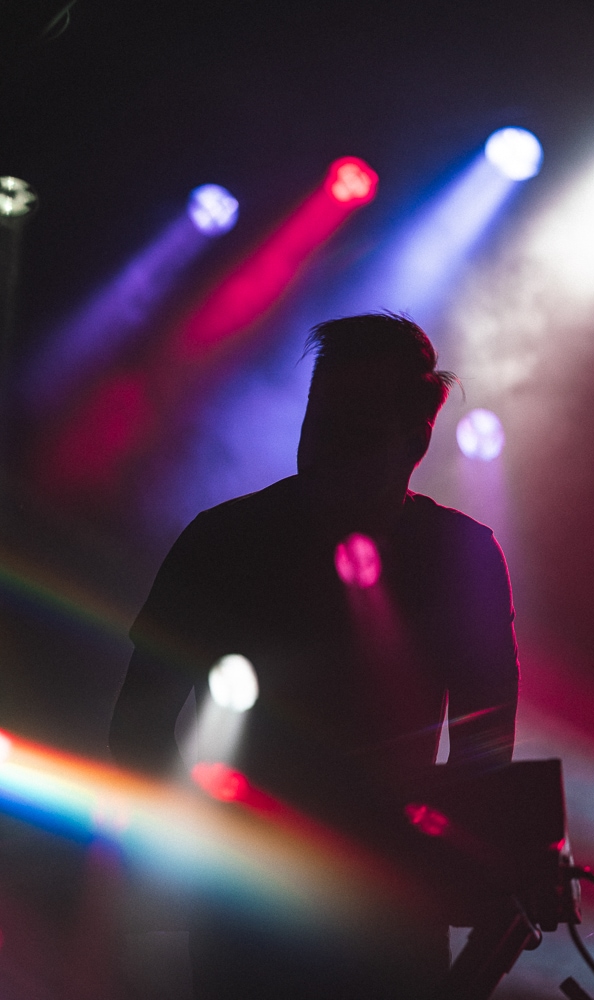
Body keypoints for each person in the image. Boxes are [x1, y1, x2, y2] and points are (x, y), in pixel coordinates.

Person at [109, 312, 519, 999]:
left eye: (355, 429)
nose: (327, 447)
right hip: (277, 917)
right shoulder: (222, 542)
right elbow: (138, 727)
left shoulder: (457, 555)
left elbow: (486, 747)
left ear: (416, 440)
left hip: (358, 918)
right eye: (319, 421)